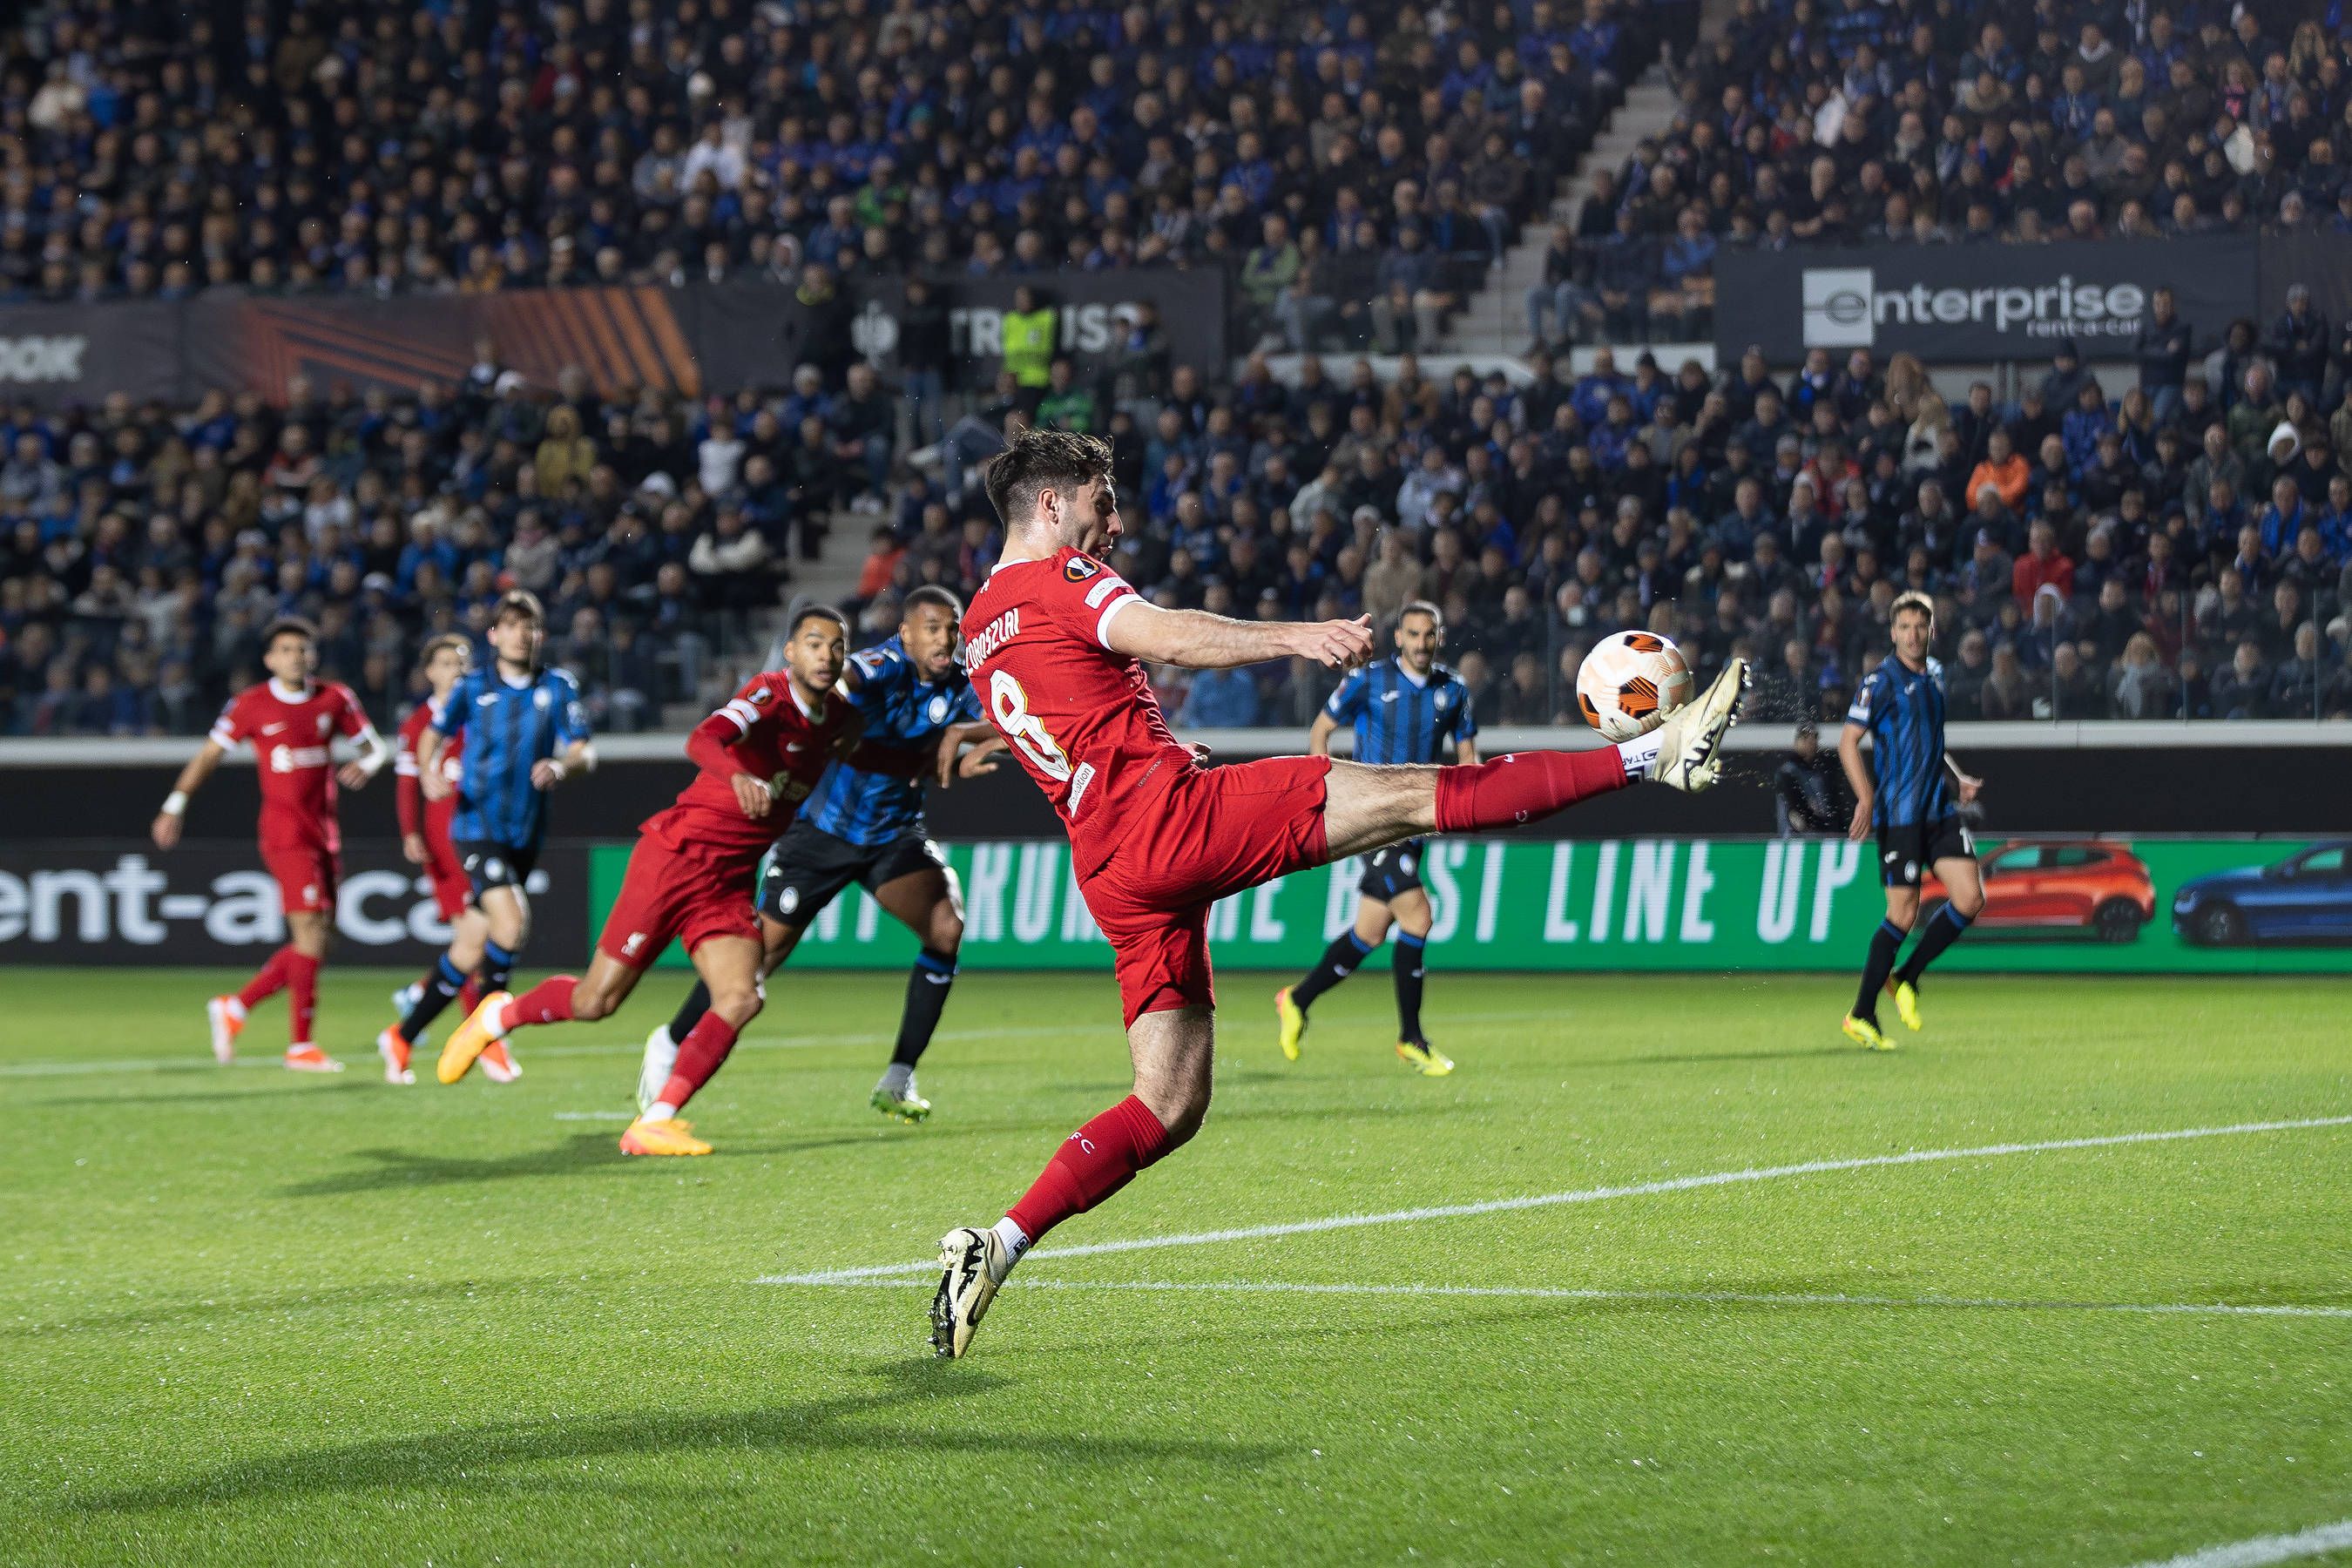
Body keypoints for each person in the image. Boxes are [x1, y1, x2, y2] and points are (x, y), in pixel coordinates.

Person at [928, 431, 1749, 1357]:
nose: (1112, 524)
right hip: (1169, 823)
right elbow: (1165, 635)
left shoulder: (979, 620)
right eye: (1100, 503)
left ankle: (994, 1244)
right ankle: (1655, 754)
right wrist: (1295, 636)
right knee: (1414, 796)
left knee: (1167, 1103)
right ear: (1051, 505)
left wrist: (1153, 757)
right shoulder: (1059, 579)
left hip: (1113, 868)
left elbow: (1068, 718)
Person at [434, 607, 857, 1156]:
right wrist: (737, 773)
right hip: (674, 859)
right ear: (792, 652)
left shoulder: (843, 722)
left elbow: (864, 755)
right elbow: (704, 738)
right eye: (815, 643)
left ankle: (655, 1120)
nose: (826, 655)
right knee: (596, 1002)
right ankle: (500, 1014)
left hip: (726, 882)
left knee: (740, 997)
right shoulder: (768, 695)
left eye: (837, 646)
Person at [640, 586, 1003, 1122]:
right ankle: (670, 1041)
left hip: (892, 834)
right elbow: (840, 685)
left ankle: (899, 1079)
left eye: (952, 628)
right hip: (821, 832)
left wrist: (960, 737)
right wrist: (914, 751)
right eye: (932, 628)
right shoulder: (878, 667)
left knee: (945, 928)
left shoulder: (961, 683)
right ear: (905, 635)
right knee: (757, 960)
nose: (945, 639)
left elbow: (1011, 717)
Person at [150, 617, 389, 1071]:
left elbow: (375, 747)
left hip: (326, 834)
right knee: (309, 938)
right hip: (285, 835)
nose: (295, 657)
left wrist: (371, 764)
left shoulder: (334, 698)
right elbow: (208, 756)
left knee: (322, 940)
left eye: (302, 649)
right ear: (269, 659)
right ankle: (300, 1046)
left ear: (312, 656)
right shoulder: (251, 705)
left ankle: (235, 1006)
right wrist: (174, 805)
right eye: (285, 650)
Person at [386, 591, 594, 1085]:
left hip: (525, 831)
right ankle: (488, 1034)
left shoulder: (559, 687)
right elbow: (431, 734)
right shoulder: (472, 686)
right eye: (511, 626)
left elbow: (585, 751)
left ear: (540, 634)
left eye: (530, 626)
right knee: (513, 925)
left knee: (469, 946)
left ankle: (403, 1035)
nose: (521, 634)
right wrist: (431, 769)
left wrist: (562, 766)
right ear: (494, 635)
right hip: (476, 827)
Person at [1272, 600, 1477, 1076]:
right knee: (1419, 916)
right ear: (1398, 638)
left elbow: (1468, 757)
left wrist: (1475, 803)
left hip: (1416, 821)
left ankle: (1297, 999)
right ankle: (1412, 1038)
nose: (1421, 643)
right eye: (1412, 634)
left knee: (1369, 932)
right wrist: (1323, 791)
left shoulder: (1455, 690)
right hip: (1369, 815)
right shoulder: (1368, 680)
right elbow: (1321, 730)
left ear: (1439, 638)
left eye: (1430, 634)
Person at [1835, 591, 1986, 1051]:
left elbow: (1931, 741)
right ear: (1893, 632)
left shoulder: (1937, 675)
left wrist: (1957, 779)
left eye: (1921, 626)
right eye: (1904, 627)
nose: (1913, 634)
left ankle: (1906, 978)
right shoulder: (1878, 682)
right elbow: (1847, 742)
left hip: (1938, 812)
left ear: (1931, 630)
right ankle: (1860, 1013)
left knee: (1971, 898)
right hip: (1899, 817)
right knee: (1902, 913)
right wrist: (1865, 799)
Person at [384, 635, 478, 1078]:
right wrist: (410, 832)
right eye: (445, 663)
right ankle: (481, 1040)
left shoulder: (482, 710)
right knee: (479, 936)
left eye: (461, 663)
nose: (455, 670)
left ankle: (418, 1002)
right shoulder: (418, 723)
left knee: (479, 939)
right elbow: (407, 785)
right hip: (446, 842)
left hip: (482, 836)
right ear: (430, 672)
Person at [1774, 720, 1847, 835]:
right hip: (1795, 840)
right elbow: (1798, 811)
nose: (1810, 744)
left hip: (1818, 838)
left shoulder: (1818, 773)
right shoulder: (1788, 773)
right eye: (1805, 739)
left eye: (1813, 740)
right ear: (1797, 742)